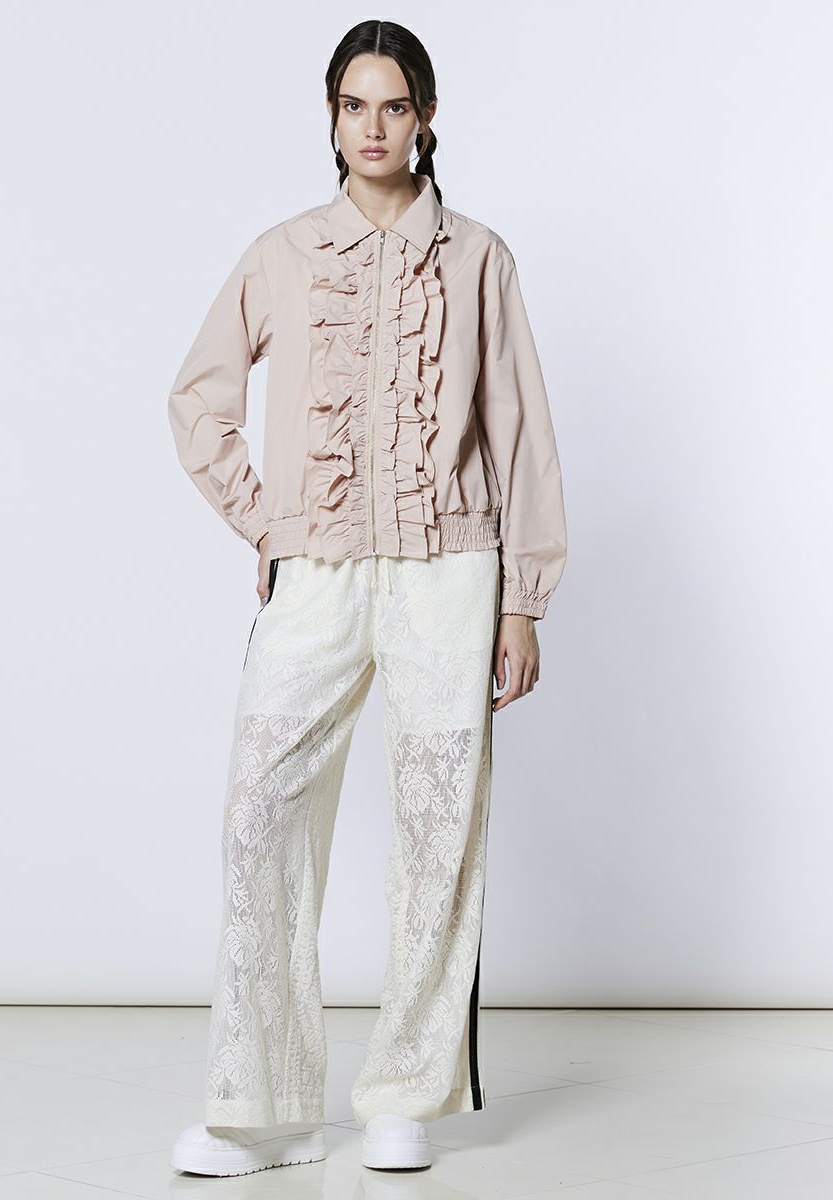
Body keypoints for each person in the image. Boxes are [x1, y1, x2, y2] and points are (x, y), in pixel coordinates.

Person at [165, 18, 567, 1178]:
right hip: (321, 569)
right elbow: (198, 399)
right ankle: (261, 1109)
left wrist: (523, 597)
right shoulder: (283, 254)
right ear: (331, 118)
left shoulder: (478, 258)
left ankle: (404, 1097)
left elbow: (518, 428)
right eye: (355, 106)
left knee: (439, 832)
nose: (374, 128)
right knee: (260, 813)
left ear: (425, 118)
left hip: (452, 569)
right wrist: (266, 519)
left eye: (394, 106)